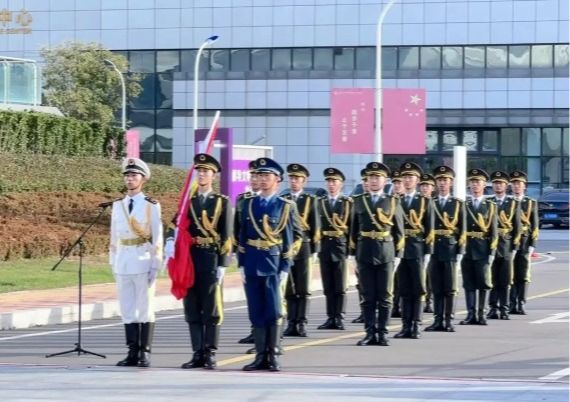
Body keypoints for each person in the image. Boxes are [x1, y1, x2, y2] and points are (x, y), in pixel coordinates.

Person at [238, 157, 303, 372]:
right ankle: (260, 356)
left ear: (278, 180)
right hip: (252, 263)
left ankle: (273, 355)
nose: (262, 179)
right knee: (256, 311)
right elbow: (242, 236)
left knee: (274, 311)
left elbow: (293, 237)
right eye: (259, 175)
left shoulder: (285, 206)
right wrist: (241, 264)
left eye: (267, 176)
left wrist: (285, 266)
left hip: (273, 264)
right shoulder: (248, 204)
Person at [169, 154, 232, 370]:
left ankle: (210, 352)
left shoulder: (222, 202)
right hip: (190, 259)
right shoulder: (189, 202)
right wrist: (169, 240)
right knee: (192, 307)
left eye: (206, 171)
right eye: (199, 171)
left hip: (211, 258)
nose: (202, 175)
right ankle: (197, 352)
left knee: (211, 308)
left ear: (214, 176)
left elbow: (227, 235)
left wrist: (223, 264)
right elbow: (175, 224)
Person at [109, 158, 163, 367]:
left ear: (143, 179)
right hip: (123, 260)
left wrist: (155, 263)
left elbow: (157, 235)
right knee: (127, 308)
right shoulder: (118, 205)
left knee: (145, 307)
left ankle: (144, 352)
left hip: (142, 259)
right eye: (127, 176)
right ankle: (132, 351)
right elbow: (113, 235)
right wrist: (113, 261)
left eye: (134, 176)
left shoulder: (151, 205)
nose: (130, 179)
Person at [350, 162, 405, 346]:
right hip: (364, 252)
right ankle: (369, 332)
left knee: (385, 296)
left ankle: (382, 333)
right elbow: (353, 229)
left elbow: (399, 232)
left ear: (385, 180)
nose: (373, 180)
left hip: (385, 253)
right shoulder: (358, 200)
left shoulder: (393, 201)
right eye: (371, 177)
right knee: (367, 296)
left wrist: (398, 256)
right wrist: (352, 255)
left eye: (377, 177)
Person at [393, 162, 434, 340]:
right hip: (401, 251)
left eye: (411, 177)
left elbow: (429, 229)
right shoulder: (396, 201)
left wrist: (427, 253)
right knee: (403, 289)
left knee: (417, 289)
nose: (407, 180)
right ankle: (405, 325)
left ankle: (415, 325)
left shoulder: (425, 202)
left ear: (417, 180)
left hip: (417, 250)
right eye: (405, 177)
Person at [425, 166, 466, 333]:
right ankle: (437, 320)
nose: (442, 183)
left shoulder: (457, 204)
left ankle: (448, 320)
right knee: (436, 287)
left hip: (450, 249)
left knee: (449, 287)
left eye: (445, 180)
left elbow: (462, 229)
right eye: (439, 180)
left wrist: (460, 251)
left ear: (451, 183)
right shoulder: (430, 203)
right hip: (434, 249)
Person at [282, 163, 320, 337]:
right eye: (291, 178)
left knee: (303, 288)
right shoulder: (283, 199)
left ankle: (302, 322)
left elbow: (315, 226)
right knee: (289, 288)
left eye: (297, 178)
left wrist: (315, 250)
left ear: (304, 181)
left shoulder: (310, 200)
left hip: (304, 246)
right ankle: (291, 322)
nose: (294, 181)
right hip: (287, 246)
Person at [460, 169, 498, 326]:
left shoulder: (490, 206)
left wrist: (492, 252)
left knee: (483, 283)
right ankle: (470, 314)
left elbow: (494, 231)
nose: (475, 185)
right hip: (467, 249)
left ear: (484, 185)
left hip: (483, 249)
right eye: (472, 182)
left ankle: (481, 313)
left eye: (478, 182)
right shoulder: (464, 205)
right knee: (468, 284)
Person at [316, 168, 352, 330]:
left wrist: (351, 250)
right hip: (325, 247)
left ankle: (339, 316)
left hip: (340, 246)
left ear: (341, 184)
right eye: (329, 181)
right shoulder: (320, 202)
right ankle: (330, 317)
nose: (331, 184)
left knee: (340, 285)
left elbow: (351, 227)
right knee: (328, 285)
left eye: (334, 181)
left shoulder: (347, 203)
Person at [487, 171, 521, 320]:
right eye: (495, 183)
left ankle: (504, 308)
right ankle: (493, 308)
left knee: (505, 280)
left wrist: (515, 248)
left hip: (506, 245)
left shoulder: (513, 203)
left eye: (500, 183)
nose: (498, 186)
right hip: (490, 246)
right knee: (492, 279)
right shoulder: (488, 202)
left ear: (506, 186)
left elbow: (517, 228)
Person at [235, 160, 260, 346]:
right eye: (252, 175)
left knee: (270, 299)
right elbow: (237, 228)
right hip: (248, 254)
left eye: (258, 175)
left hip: (267, 255)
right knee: (252, 297)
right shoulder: (242, 199)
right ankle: (255, 331)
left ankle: (271, 338)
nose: (254, 179)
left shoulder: (278, 202)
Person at [509, 170, 539, 315]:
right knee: (510, 274)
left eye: (519, 183)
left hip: (525, 242)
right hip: (510, 243)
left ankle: (521, 302)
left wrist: (533, 244)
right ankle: (511, 303)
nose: (516, 186)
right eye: (514, 183)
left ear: (524, 186)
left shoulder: (530, 203)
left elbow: (535, 225)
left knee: (523, 274)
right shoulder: (508, 202)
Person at [352, 168, 368, 324]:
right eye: (364, 180)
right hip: (361, 248)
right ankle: (364, 312)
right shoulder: (358, 201)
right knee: (361, 283)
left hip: (380, 248)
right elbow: (353, 228)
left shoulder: (387, 201)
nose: (367, 183)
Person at [419, 173, 436, 314]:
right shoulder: (417, 202)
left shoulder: (434, 203)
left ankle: (429, 301)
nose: (425, 188)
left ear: (432, 188)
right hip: (419, 243)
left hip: (434, 243)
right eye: (423, 185)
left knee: (430, 276)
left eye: (427, 186)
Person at [390, 169, 404, 319]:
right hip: (392, 244)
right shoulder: (390, 200)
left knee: (402, 280)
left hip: (407, 244)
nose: (397, 185)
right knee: (393, 279)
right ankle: (394, 306)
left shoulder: (406, 201)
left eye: (399, 182)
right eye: (395, 183)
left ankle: (401, 305)